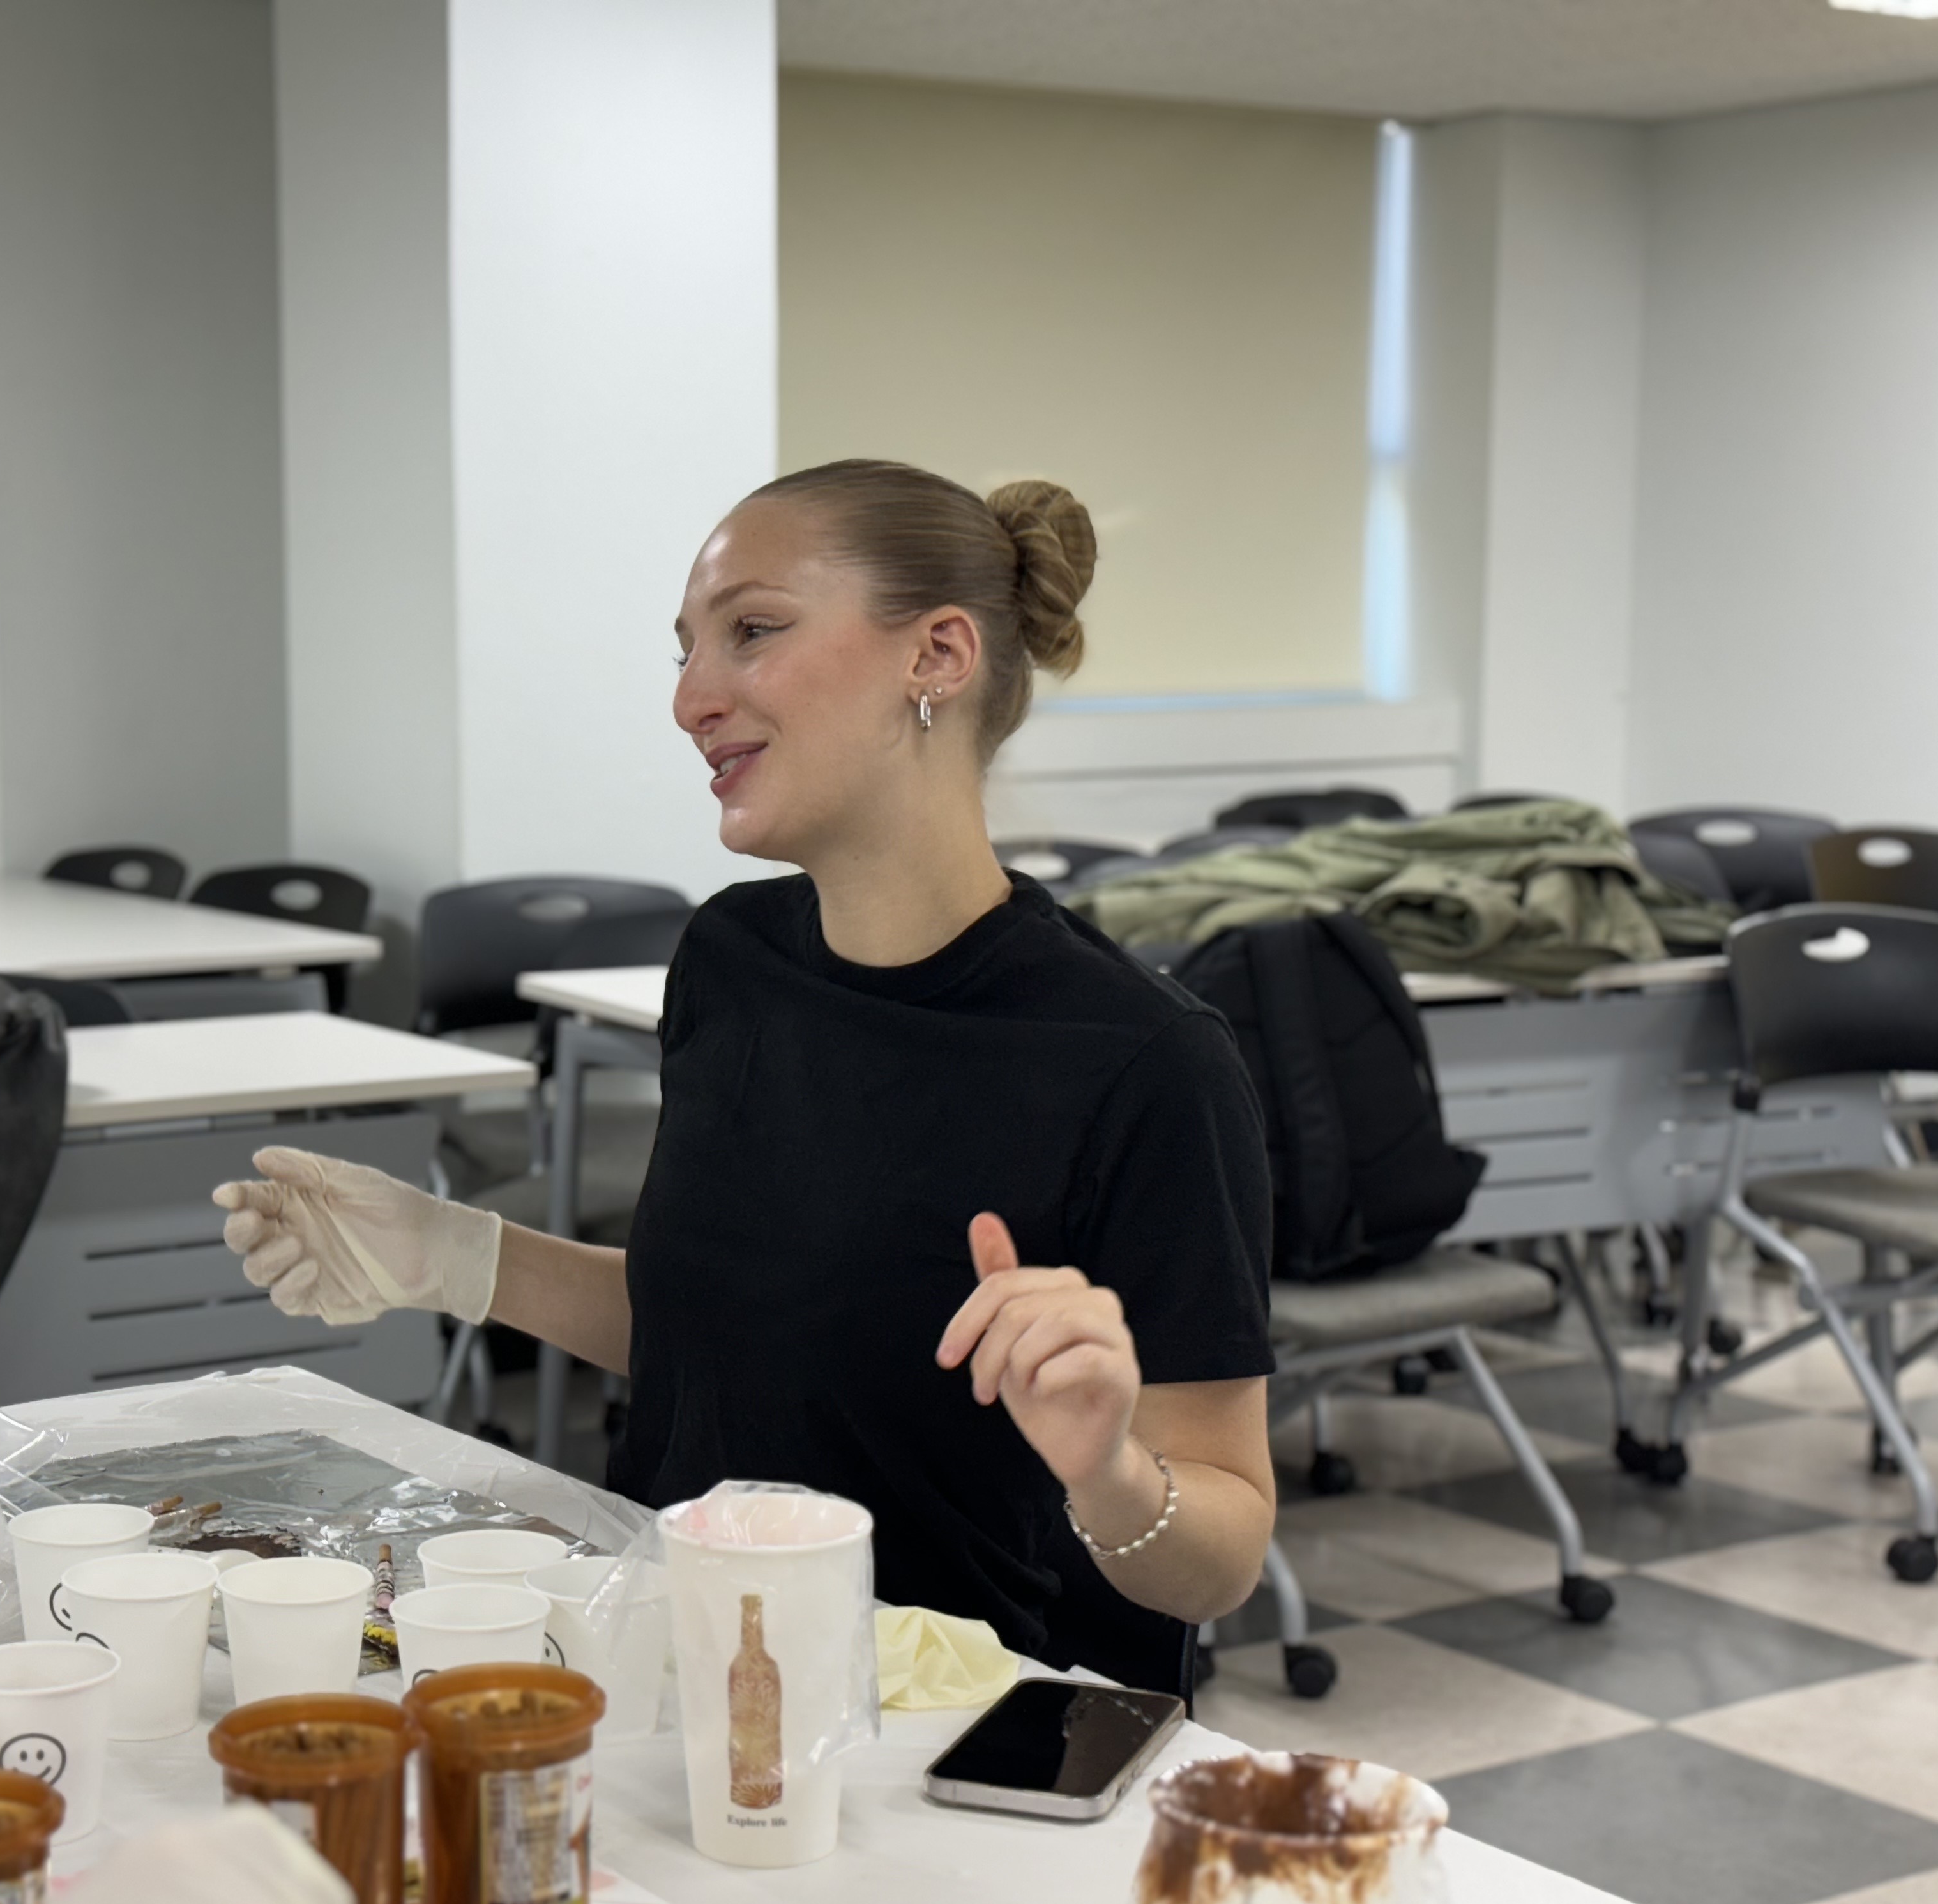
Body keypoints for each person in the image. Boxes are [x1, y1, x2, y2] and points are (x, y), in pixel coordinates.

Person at [218, 459, 1276, 1695]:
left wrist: (1109, 1471)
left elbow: (1220, 1560)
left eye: (753, 632)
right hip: (687, 1667)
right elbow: (726, 1335)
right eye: (685, 652)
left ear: (938, 654)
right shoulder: (732, 959)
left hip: (962, 1729)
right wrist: (456, 1258)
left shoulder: (1146, 1060)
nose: (691, 700)